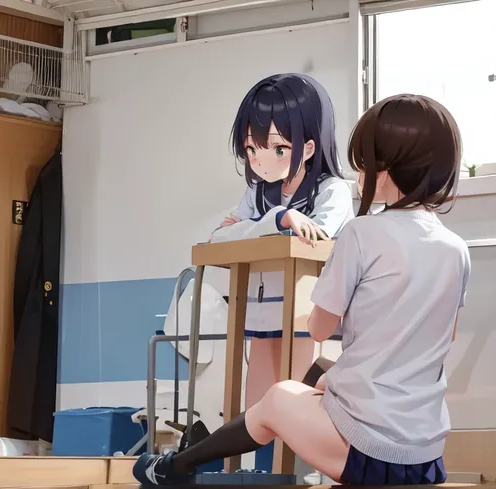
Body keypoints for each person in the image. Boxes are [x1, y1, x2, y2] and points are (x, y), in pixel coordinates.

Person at [133, 93, 471, 486]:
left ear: (387, 167)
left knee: (277, 399)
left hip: (369, 451)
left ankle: (176, 468)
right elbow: (445, 335)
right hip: (426, 454)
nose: (357, 175)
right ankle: (184, 464)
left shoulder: (363, 233)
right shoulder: (456, 249)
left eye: (363, 164)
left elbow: (320, 328)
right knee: (321, 381)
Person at [207, 73, 355, 470]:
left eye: (276, 148)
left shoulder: (333, 192)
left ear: (307, 147)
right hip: (262, 317)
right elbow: (217, 241)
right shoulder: (259, 193)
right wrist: (280, 218)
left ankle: (298, 476)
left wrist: (265, 224)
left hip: (310, 319)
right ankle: (250, 474)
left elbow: (318, 239)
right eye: (251, 148)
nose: (259, 160)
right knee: (257, 411)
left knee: (301, 408)